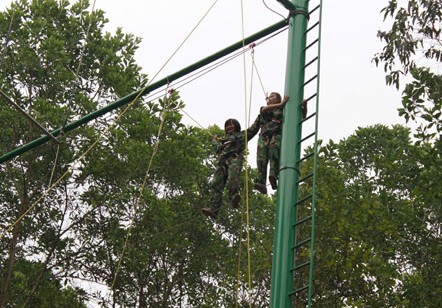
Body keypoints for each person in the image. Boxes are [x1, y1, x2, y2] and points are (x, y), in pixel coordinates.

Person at [201, 115, 262, 219]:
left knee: (232, 178)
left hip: (234, 158)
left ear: (236, 126)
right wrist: (215, 141)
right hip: (222, 162)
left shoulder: (241, 136)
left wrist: (260, 117)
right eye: (227, 125)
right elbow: (217, 149)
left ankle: (233, 197)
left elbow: (253, 129)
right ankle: (214, 209)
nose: (229, 127)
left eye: (231, 125)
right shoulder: (223, 140)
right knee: (216, 184)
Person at [254, 93, 307, 194]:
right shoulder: (267, 109)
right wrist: (281, 104)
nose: (269, 98)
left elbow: (300, 118)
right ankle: (261, 182)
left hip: (276, 134)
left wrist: (304, 107)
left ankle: (273, 175)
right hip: (265, 136)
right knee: (261, 158)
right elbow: (264, 110)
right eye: (269, 97)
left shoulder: (284, 110)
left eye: (272, 96)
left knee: (274, 152)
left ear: (278, 99)